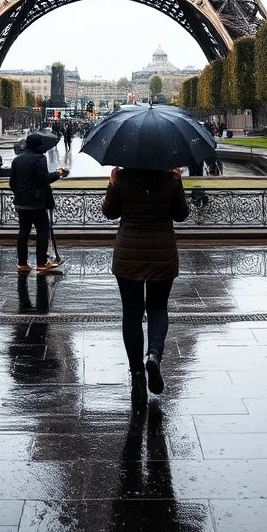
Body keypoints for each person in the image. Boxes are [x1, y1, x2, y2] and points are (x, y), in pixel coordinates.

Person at [102, 164, 189, 413]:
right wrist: (177, 182)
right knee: (158, 308)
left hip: (129, 252)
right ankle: (153, 355)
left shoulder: (121, 177)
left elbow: (110, 212)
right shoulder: (171, 177)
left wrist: (113, 181)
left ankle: (138, 376)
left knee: (131, 313)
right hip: (162, 251)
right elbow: (181, 214)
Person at [8, 132, 68, 275]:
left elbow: (12, 183)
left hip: (20, 203)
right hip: (36, 202)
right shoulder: (39, 158)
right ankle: (41, 262)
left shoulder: (17, 160)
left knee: (23, 232)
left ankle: (22, 263)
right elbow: (43, 179)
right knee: (43, 230)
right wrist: (58, 174)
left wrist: (20, 194)